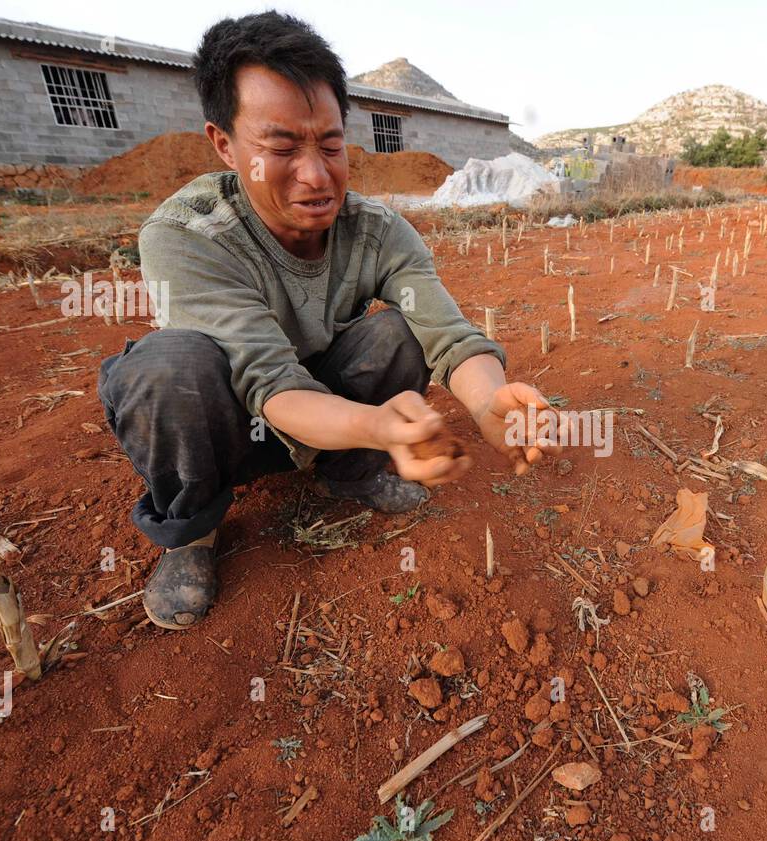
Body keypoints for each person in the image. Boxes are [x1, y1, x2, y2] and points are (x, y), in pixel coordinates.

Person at [97, 10, 554, 630]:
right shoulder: (188, 235)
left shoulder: (376, 230)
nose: (317, 175)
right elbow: (268, 380)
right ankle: (193, 528)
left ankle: (347, 468)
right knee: (166, 366)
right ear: (224, 145)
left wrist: (487, 401)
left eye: (331, 145)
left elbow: (445, 332)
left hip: (330, 416)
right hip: (233, 423)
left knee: (400, 332)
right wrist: (382, 425)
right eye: (281, 148)